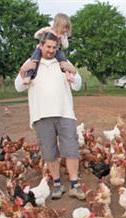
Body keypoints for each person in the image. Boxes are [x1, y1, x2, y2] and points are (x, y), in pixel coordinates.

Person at [15, 32, 85, 200]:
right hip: (41, 115)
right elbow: (19, 87)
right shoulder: (32, 63)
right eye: (48, 47)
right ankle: (58, 184)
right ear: (40, 46)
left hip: (65, 112)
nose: (51, 50)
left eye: (54, 47)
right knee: (49, 152)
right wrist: (23, 71)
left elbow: (78, 86)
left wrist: (74, 73)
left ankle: (75, 185)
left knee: (71, 150)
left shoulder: (63, 62)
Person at [24, 13, 74, 83]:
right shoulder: (49, 29)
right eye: (64, 27)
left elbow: (66, 46)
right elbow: (36, 36)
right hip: (40, 49)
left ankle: (68, 74)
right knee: (34, 60)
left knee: (63, 59)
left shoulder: (64, 35)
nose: (65, 30)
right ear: (57, 25)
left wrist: (62, 38)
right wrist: (43, 31)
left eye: (67, 28)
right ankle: (28, 76)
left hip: (56, 50)